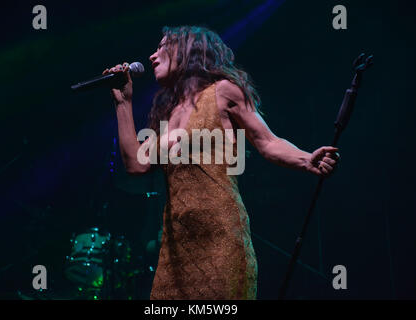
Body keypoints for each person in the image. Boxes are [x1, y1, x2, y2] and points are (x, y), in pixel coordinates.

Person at [102, 26, 339, 300]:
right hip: (175, 250)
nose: (152, 56)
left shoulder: (223, 91)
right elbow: (136, 163)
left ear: (188, 48)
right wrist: (123, 103)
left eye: (162, 46)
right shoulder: (168, 114)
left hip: (219, 237)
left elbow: (267, 141)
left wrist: (305, 159)